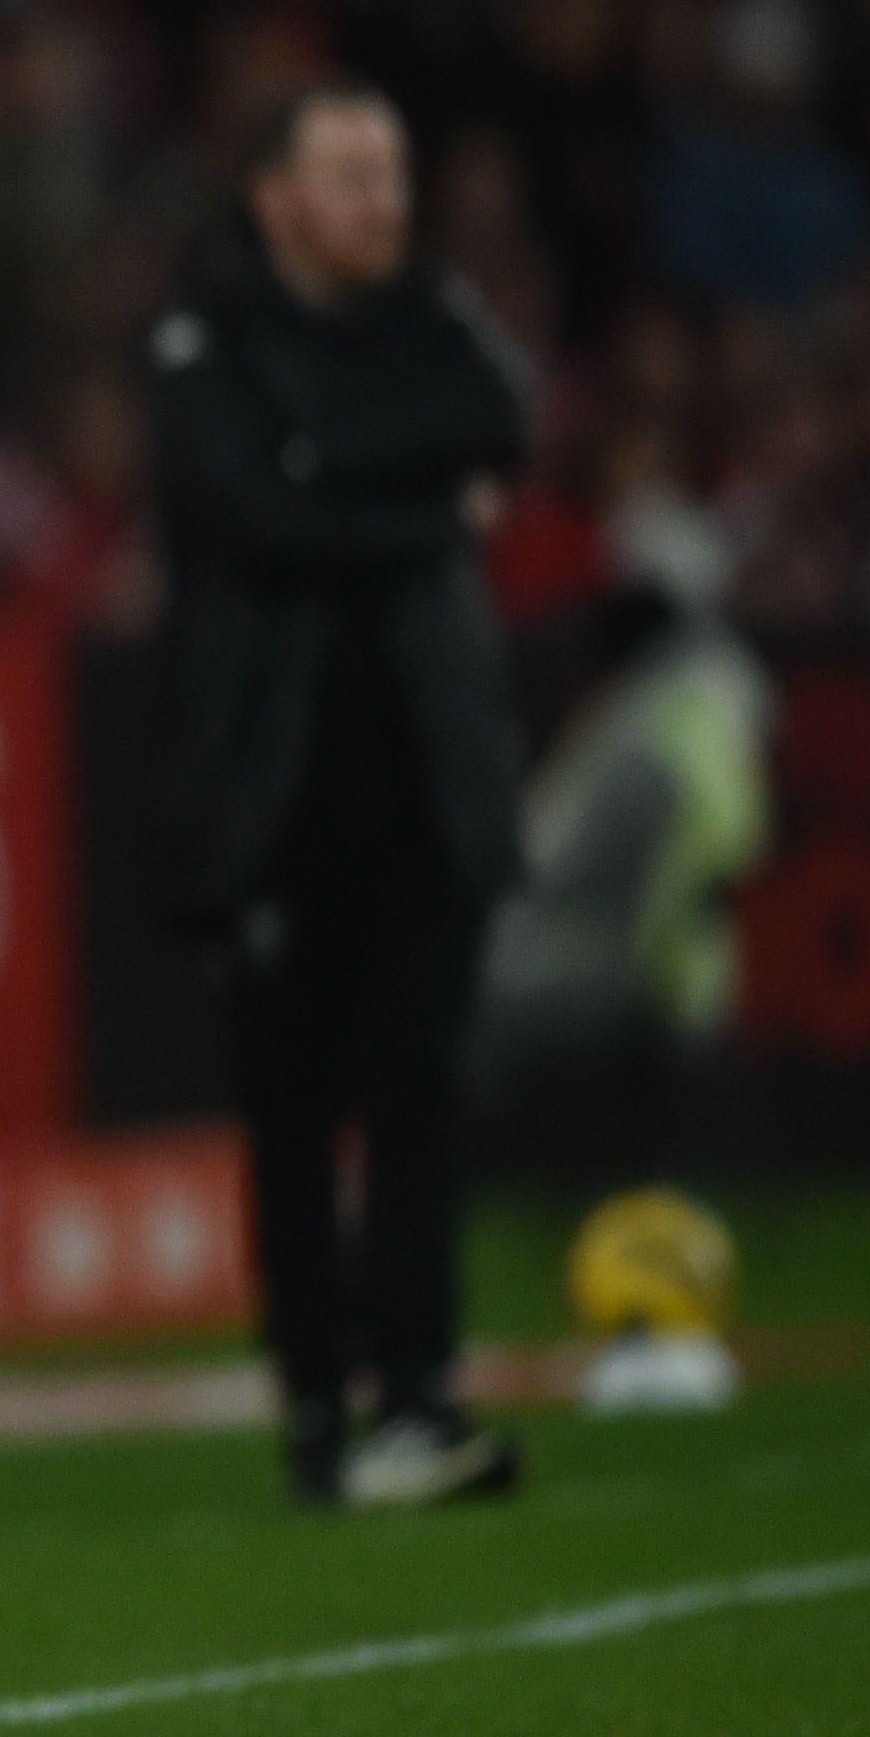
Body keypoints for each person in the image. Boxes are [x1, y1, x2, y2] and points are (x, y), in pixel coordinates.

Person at [148, 80, 532, 1508]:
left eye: (393, 169)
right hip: (276, 793)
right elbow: (253, 504)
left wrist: (334, 466)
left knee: (425, 1097)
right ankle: (319, 1400)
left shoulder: (439, 320)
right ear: (274, 196)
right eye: (352, 173)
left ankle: (420, 1395)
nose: (384, 199)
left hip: (432, 777)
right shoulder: (207, 333)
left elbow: (506, 418)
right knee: (293, 1109)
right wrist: (427, 507)